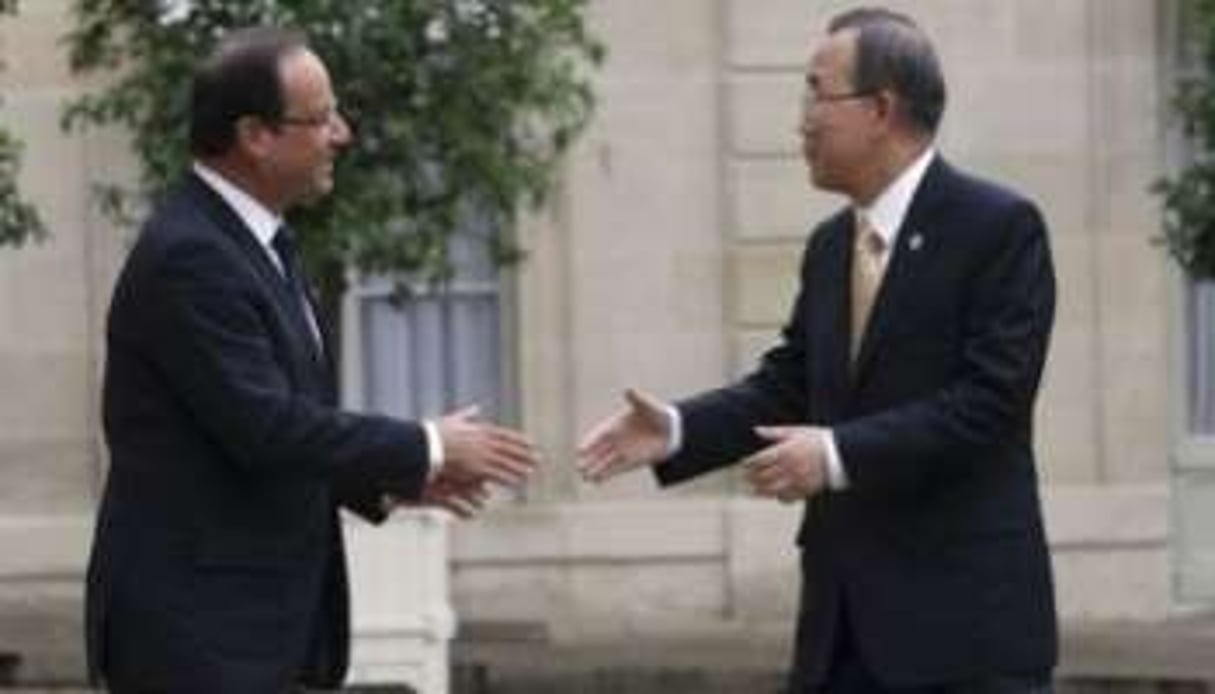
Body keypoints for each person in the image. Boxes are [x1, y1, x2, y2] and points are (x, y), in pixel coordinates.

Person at [578, 7, 1057, 693]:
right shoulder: (830, 246)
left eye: (814, 93)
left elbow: (989, 405)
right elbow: (791, 385)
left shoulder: (998, 229)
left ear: (880, 108)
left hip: (963, 635)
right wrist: (680, 429)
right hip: (841, 634)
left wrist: (833, 456)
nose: (801, 119)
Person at [84, 27, 539, 693]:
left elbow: (265, 429)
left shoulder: (256, 241)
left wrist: (392, 478)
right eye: (321, 117)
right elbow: (264, 427)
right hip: (198, 634)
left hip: (252, 628)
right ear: (255, 135)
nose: (342, 133)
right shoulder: (191, 256)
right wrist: (425, 445)